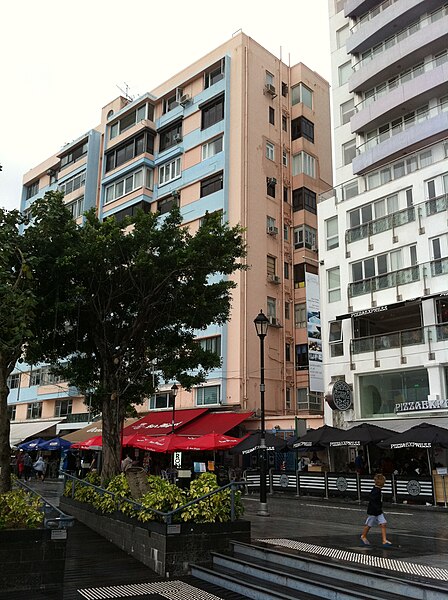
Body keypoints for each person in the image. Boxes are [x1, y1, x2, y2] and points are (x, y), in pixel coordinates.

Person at [360, 473, 392, 547]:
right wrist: (378, 508)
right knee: (369, 524)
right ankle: (363, 536)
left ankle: (384, 540)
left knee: (383, 523)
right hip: (374, 511)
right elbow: (374, 501)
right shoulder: (376, 491)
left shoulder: (376, 490)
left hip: (377, 511)